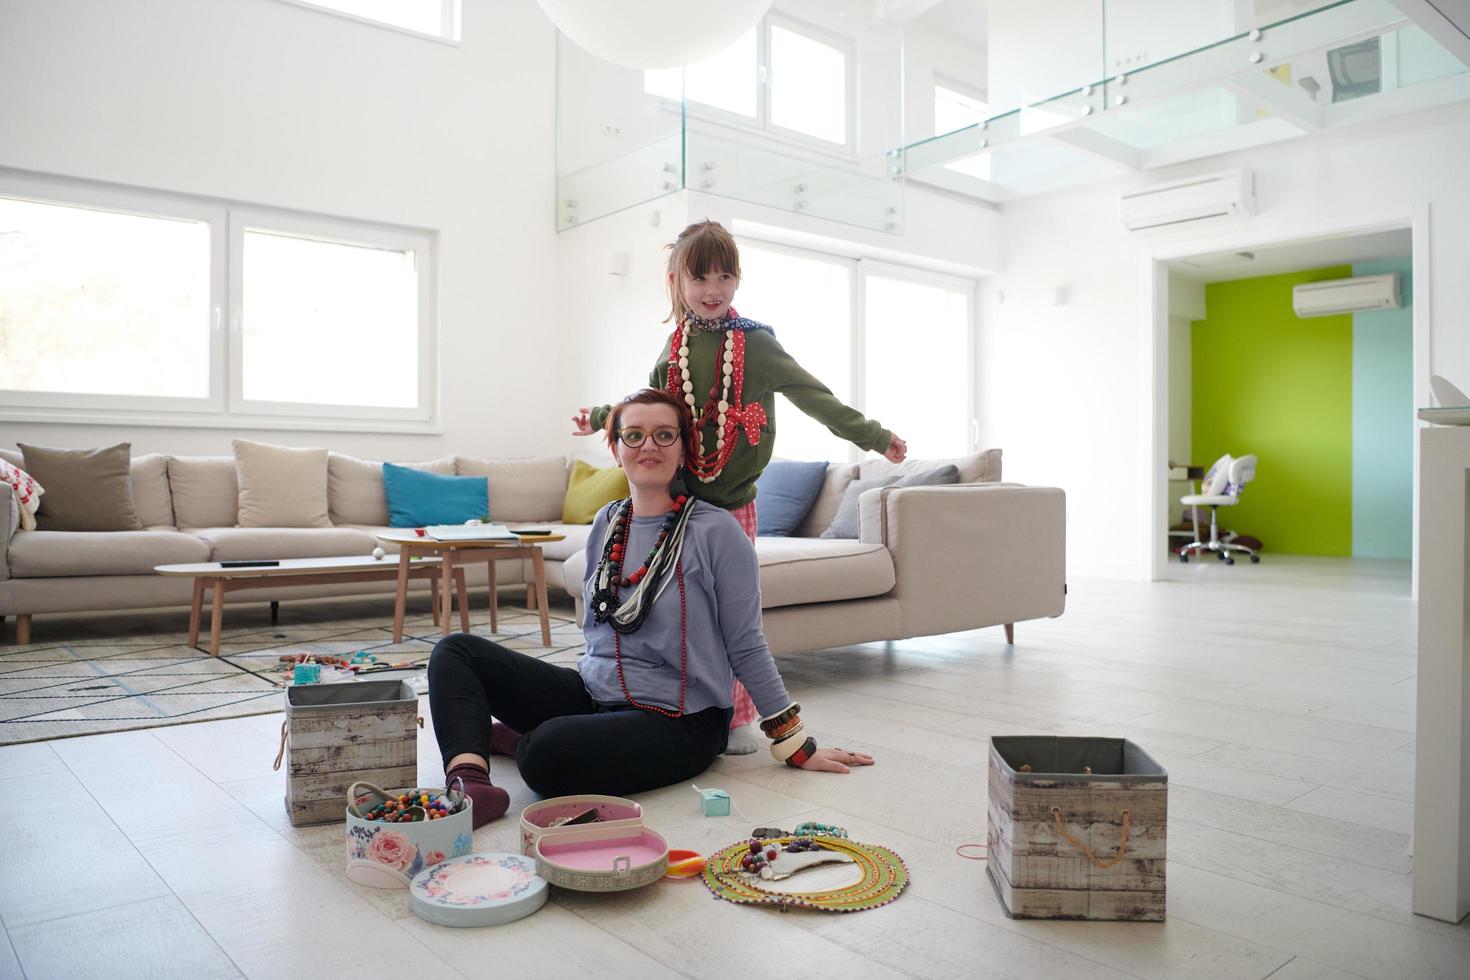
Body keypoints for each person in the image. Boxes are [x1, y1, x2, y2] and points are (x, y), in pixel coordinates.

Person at [428, 388, 875, 827]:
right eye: (634, 435)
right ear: (617, 448)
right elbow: (599, 630)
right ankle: (472, 784)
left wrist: (794, 744)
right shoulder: (608, 520)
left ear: (683, 450)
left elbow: (747, 645)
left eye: (665, 435)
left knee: (543, 754)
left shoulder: (715, 532)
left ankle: (522, 736)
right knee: (456, 651)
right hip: (593, 695)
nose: (649, 446)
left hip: (680, 719)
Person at [569, 220, 907, 749]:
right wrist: (601, 417)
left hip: (729, 505)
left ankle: (737, 718)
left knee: (734, 614)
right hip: (678, 499)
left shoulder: (755, 344)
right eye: (699, 278)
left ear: (738, 280)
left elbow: (815, 396)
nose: (712, 290)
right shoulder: (675, 345)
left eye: (724, 277)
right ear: (676, 280)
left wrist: (875, 436)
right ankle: (669, 696)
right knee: (678, 609)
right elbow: (653, 407)